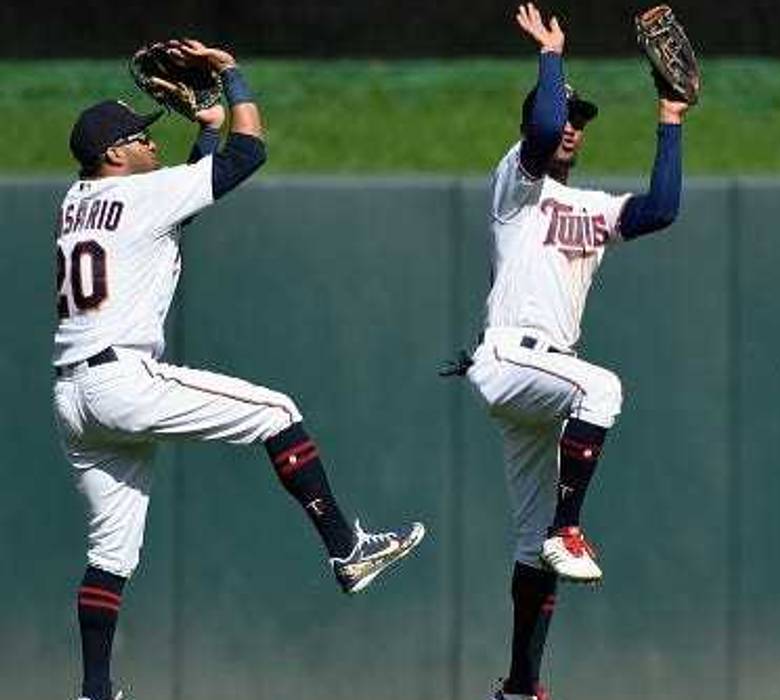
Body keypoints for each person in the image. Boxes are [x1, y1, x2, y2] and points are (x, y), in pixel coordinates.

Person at [54, 40, 425, 700]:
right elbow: (249, 157)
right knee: (275, 412)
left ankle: (95, 690)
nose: (149, 143)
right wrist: (230, 75)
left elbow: (180, 205)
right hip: (122, 381)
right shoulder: (140, 196)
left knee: (110, 556)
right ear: (114, 155)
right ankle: (348, 549)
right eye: (139, 137)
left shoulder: (77, 203)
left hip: (73, 397)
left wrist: (205, 128)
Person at [460, 4, 691, 698]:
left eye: (580, 120)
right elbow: (536, 125)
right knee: (604, 389)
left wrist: (670, 120)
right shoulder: (516, 187)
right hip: (511, 357)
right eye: (564, 114)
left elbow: (661, 209)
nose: (570, 125)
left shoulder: (589, 207)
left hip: (540, 380)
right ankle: (571, 525)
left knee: (530, 550)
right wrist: (551, 59)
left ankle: (520, 685)